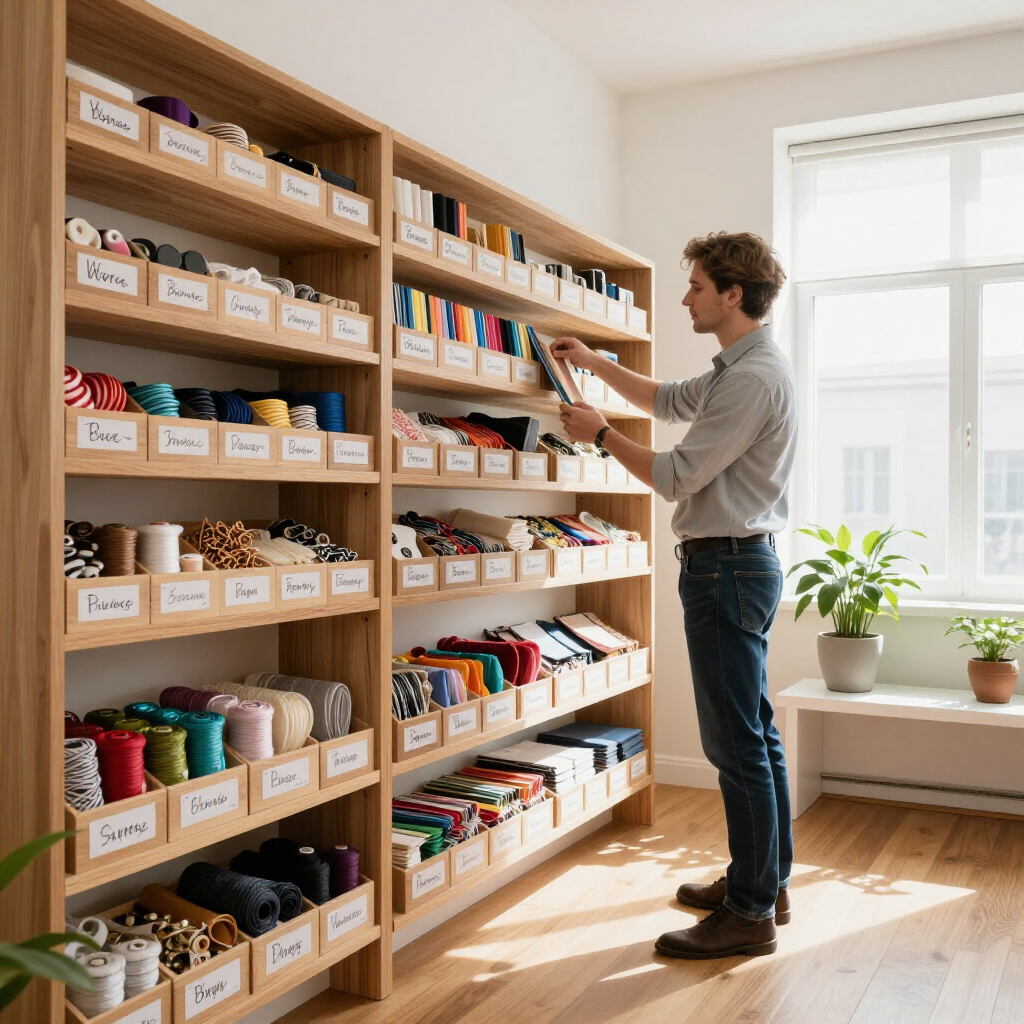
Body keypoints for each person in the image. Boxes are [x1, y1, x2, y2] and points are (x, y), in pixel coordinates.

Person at [551, 231, 796, 960]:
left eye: (695, 287)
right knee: (756, 733)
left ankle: (750, 912)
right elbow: (666, 400)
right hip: (737, 563)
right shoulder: (740, 366)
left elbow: (675, 475)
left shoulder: (753, 378)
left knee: (734, 744)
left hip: (726, 568)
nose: (685, 298)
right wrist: (596, 365)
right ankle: (766, 882)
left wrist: (599, 435)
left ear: (733, 294)